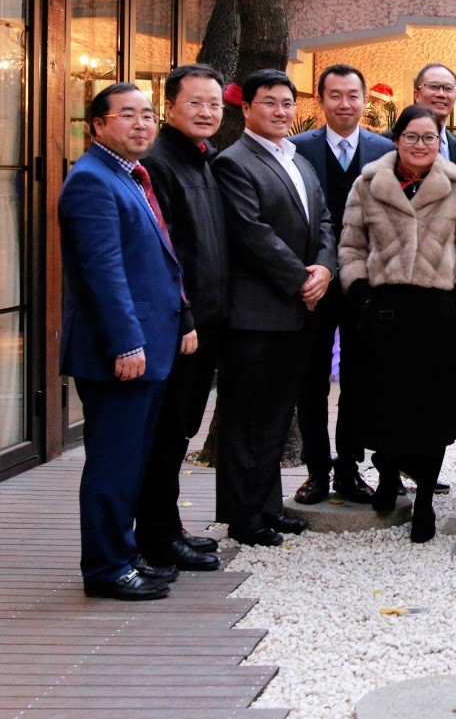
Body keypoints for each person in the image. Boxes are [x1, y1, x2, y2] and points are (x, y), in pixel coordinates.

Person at [60, 82, 192, 600]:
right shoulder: (92, 181)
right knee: (113, 465)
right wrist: (126, 344)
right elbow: (103, 273)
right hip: (120, 353)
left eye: (147, 115)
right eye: (128, 115)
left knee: (132, 461)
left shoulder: (130, 174)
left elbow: (158, 259)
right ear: (98, 125)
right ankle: (106, 568)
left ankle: (124, 553)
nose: (142, 124)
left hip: (150, 346)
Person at [339, 104, 456, 542]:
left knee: (431, 409)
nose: (421, 145)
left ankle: (424, 500)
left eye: (429, 138)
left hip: (436, 315)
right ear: (397, 139)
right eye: (412, 136)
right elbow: (351, 245)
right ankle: (387, 475)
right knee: (385, 402)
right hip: (383, 311)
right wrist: (361, 291)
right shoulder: (369, 183)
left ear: (440, 142)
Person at [212, 68, 336, 547]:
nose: (281, 111)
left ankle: (268, 506)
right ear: (246, 108)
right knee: (245, 417)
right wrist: (301, 278)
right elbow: (251, 233)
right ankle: (243, 516)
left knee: (276, 415)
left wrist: (325, 268)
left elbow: (323, 221)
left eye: (287, 103)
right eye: (269, 102)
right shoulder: (234, 162)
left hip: (299, 310)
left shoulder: (298, 159)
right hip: (257, 314)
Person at [133, 65, 228, 573]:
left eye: (214, 104)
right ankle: (157, 536)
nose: (206, 112)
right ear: (169, 106)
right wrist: (186, 316)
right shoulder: (159, 162)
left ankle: (168, 527)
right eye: (195, 103)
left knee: (181, 429)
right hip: (178, 325)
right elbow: (164, 251)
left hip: (205, 322)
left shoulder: (202, 158)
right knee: (166, 433)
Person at [289, 63, 394, 507]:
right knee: (311, 378)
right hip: (313, 281)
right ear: (320, 100)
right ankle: (316, 469)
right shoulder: (297, 149)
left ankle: (350, 467)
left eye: (353, 95)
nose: (345, 104)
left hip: (365, 285)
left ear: (365, 100)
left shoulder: (385, 150)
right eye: (335, 95)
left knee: (358, 377)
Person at [403, 62, 456, 167]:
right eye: (433, 86)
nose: (441, 94)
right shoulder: (388, 142)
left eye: (448, 88)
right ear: (417, 95)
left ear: (455, 98)